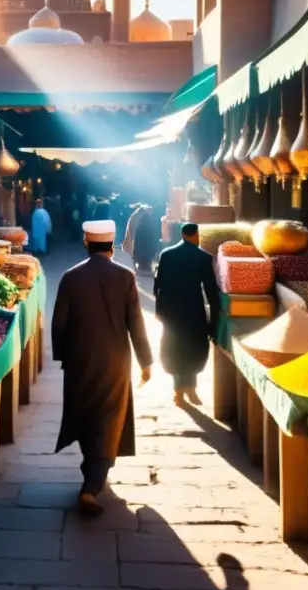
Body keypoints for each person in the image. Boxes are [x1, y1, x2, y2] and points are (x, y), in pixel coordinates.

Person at [52, 220, 152, 517]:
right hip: (115, 360)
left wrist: (64, 357)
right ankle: (91, 486)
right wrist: (145, 360)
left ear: (86, 243)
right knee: (109, 417)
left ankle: (91, 474)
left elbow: (59, 323)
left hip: (80, 359)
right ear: (112, 245)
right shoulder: (125, 277)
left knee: (85, 414)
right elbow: (136, 321)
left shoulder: (71, 277)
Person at [153, 223, 221, 407]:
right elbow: (210, 290)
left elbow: (157, 286)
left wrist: (159, 311)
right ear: (195, 235)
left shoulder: (166, 254)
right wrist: (213, 317)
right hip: (194, 309)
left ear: (182, 234)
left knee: (174, 347)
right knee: (193, 348)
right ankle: (190, 390)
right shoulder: (204, 257)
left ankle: (178, 392)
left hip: (171, 310)